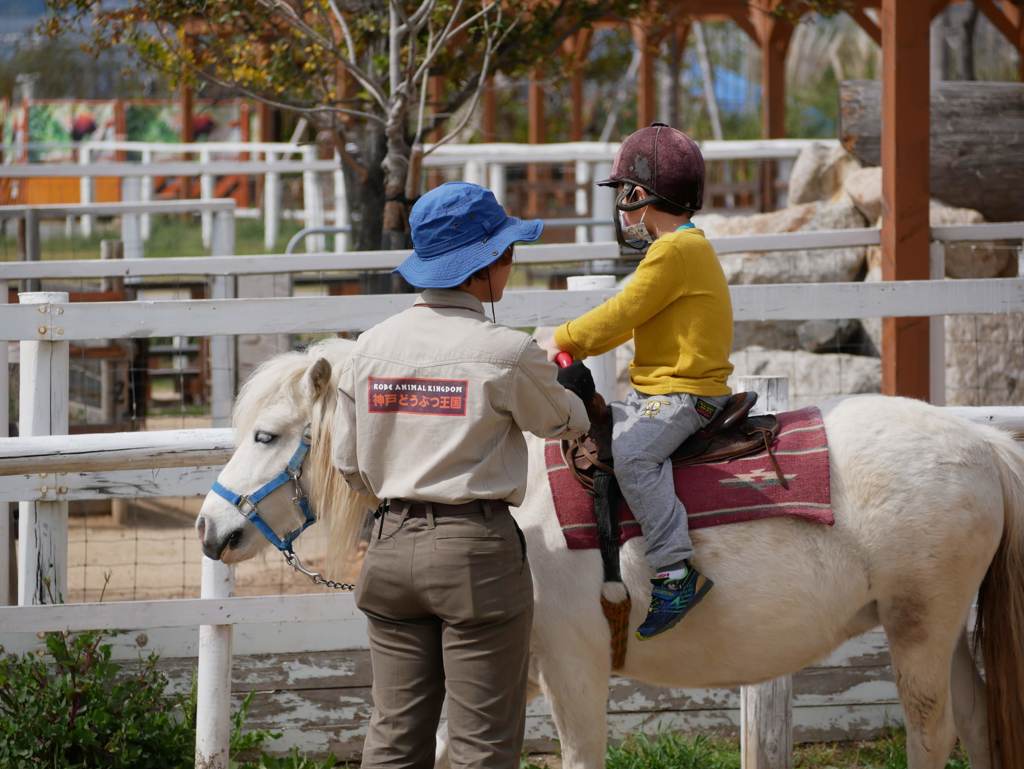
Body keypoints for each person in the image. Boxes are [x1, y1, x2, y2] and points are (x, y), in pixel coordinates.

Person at [332, 181, 590, 769]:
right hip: (476, 554)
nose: (510, 263)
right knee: (482, 745)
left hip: (390, 547)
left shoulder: (367, 348)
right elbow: (560, 423)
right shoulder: (505, 350)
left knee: (394, 737)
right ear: (485, 268)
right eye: (506, 253)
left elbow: (349, 466)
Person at [553, 122, 735, 641]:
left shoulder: (674, 252)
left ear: (639, 195)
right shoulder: (685, 249)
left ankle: (675, 571)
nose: (622, 211)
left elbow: (623, 312)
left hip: (686, 395)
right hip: (668, 390)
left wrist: (564, 339)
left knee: (632, 454)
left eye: (623, 197)